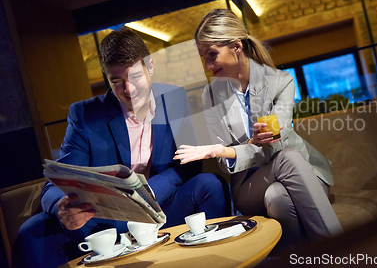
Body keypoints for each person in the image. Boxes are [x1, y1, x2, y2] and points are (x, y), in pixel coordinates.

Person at [13, 27, 230, 268]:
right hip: (105, 217)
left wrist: (147, 192)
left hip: (161, 204)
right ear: (107, 79)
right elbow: (55, 183)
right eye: (116, 81)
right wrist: (61, 207)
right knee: (31, 231)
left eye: (135, 76)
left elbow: (189, 164)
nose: (128, 89)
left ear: (150, 68)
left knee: (210, 184)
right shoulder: (85, 114)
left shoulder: (175, 98)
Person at [175, 9, 343, 252]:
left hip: (306, 173)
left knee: (278, 196)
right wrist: (227, 151)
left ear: (236, 46)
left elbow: (276, 142)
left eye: (212, 54)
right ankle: (343, 253)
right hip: (250, 185)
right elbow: (225, 162)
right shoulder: (210, 96)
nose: (208, 65)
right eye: (204, 58)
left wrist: (226, 150)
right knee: (288, 159)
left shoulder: (280, 81)